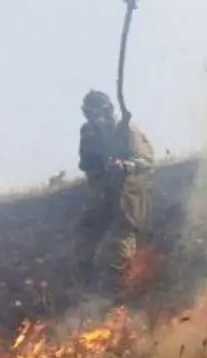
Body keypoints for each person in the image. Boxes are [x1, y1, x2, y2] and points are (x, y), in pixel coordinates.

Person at [75, 90, 155, 294]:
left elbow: (146, 161)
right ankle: (87, 289)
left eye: (96, 113)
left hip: (130, 189)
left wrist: (124, 165)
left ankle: (121, 291)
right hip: (103, 192)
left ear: (109, 110)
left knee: (120, 240)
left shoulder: (128, 131)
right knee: (85, 238)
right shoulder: (88, 133)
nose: (93, 119)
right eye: (88, 114)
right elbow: (87, 164)